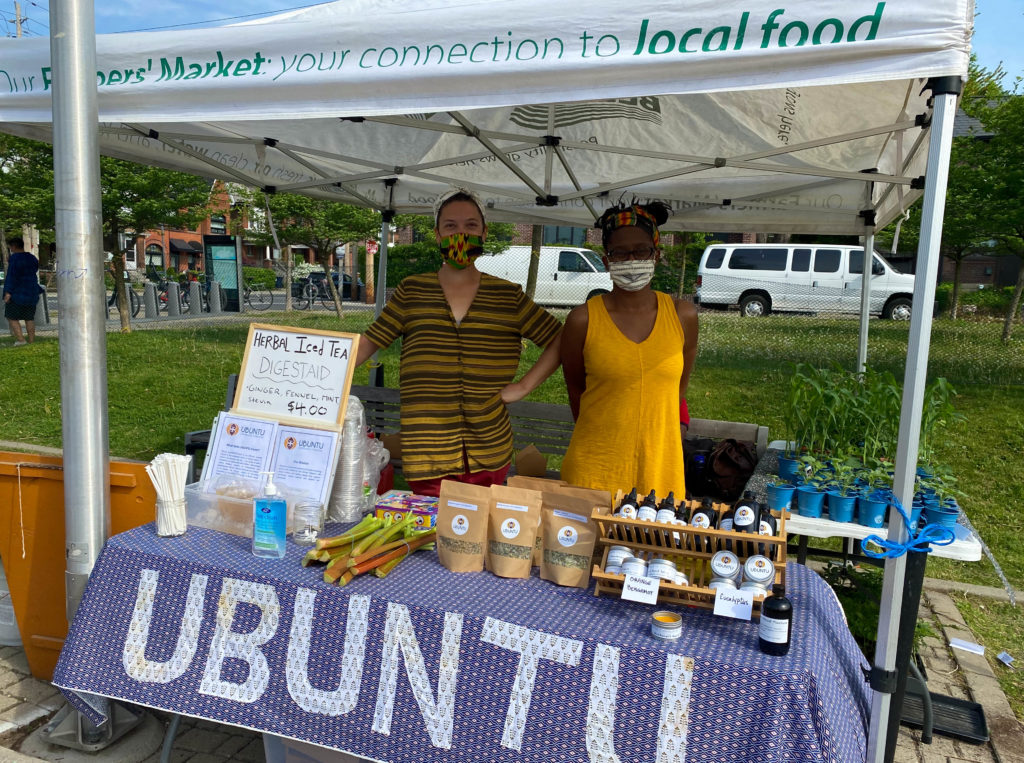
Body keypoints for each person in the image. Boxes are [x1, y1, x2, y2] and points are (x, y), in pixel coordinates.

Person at [352, 187, 563, 496]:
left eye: (470, 225)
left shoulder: (507, 296)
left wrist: (523, 386)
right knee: (428, 533)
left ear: (484, 232)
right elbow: (369, 342)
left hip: (488, 447)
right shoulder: (413, 291)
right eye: (450, 226)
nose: (460, 233)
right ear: (437, 234)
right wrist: (322, 376)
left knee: (477, 534)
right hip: (428, 448)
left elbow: (560, 338)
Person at [559, 201, 699, 499]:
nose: (631, 259)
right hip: (594, 470)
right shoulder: (582, 319)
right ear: (606, 260)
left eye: (641, 250)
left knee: (653, 544)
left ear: (656, 254)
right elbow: (576, 393)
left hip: (660, 470)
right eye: (619, 252)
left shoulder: (682, 316)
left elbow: (678, 389)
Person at [3, 237, 41, 346]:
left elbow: (12, 276)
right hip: (31, 291)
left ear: (13, 246)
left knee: (11, 316)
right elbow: (35, 270)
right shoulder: (32, 258)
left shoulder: (15, 258)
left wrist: (8, 292)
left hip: (17, 292)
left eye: (10, 247)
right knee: (29, 317)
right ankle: (31, 340)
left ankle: (21, 340)